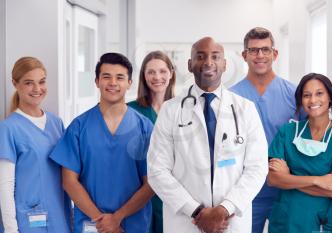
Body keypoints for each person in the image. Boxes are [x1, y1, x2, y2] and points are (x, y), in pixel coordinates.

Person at [147, 37, 268, 233]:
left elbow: (257, 168)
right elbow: (157, 171)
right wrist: (195, 212)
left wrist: (224, 209)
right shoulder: (170, 110)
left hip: (230, 221)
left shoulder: (245, 109)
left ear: (225, 64)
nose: (208, 62)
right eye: (200, 56)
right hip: (186, 223)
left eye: (215, 56)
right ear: (189, 64)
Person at [49, 53, 154, 233]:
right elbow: (69, 181)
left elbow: (152, 182)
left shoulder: (144, 127)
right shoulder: (78, 127)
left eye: (120, 77)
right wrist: (102, 221)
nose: (113, 82)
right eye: (106, 76)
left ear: (129, 83)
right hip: (92, 223)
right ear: (97, 81)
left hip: (132, 224)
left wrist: (117, 217)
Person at [229, 27, 298, 233]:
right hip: (246, 191)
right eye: (253, 50)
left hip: (285, 190)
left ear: (274, 54)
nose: (260, 55)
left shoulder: (294, 94)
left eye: (265, 50)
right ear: (244, 55)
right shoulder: (231, 97)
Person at [267, 73, 332, 233]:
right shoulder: (287, 132)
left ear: (330, 98)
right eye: (307, 95)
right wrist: (318, 180)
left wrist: (288, 178)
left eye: (319, 93)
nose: (313, 100)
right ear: (300, 100)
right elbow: (272, 179)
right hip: (285, 222)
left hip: (321, 224)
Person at [0, 57, 71, 233]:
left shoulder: (56, 123)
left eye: (42, 81)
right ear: (15, 84)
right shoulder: (8, 128)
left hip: (59, 217)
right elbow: (5, 185)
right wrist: (11, 230)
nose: (37, 89)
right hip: (27, 222)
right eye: (29, 83)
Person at [128, 50, 176, 233]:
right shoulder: (130, 111)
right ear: (144, 76)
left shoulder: (183, 108)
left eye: (162, 71)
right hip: (138, 191)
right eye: (151, 72)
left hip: (172, 193)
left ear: (171, 73)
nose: (157, 77)